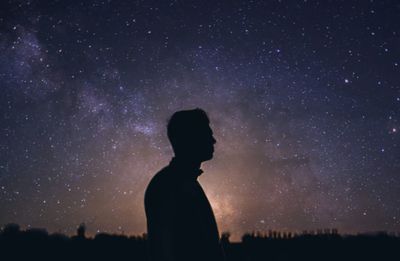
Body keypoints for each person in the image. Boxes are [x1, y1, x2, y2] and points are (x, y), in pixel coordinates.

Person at [144, 108, 225, 261]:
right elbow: (163, 250)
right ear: (192, 138)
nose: (214, 140)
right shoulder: (167, 185)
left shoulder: (184, 182)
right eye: (208, 134)